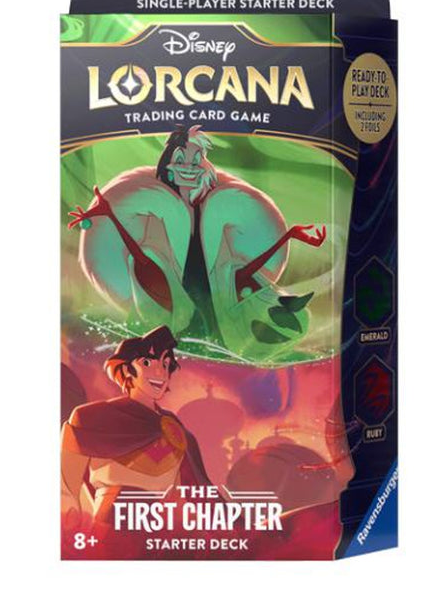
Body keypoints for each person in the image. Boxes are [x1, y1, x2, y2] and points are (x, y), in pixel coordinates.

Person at [68, 126, 326, 360]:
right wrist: (110, 215)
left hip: (218, 309)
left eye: (196, 159)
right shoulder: (160, 212)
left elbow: (239, 271)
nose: (189, 167)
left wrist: (288, 236)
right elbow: (145, 260)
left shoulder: (212, 212)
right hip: (178, 311)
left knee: (241, 322)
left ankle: (275, 329)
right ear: (169, 165)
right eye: (181, 160)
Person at [61, 326, 212, 527]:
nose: (160, 372)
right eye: (147, 363)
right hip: (111, 530)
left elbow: (192, 495)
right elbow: (65, 488)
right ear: (126, 370)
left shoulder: (174, 429)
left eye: (165, 364)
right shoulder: (91, 418)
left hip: (160, 532)